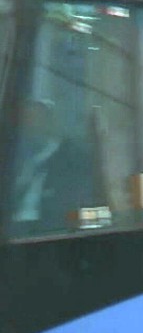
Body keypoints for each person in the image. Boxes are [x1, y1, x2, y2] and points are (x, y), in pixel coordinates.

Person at [10, 99, 94, 236]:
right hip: (13, 231)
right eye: (26, 121)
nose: (30, 126)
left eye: (35, 119)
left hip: (51, 232)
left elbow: (76, 206)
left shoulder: (73, 158)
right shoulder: (16, 159)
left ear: (50, 122)